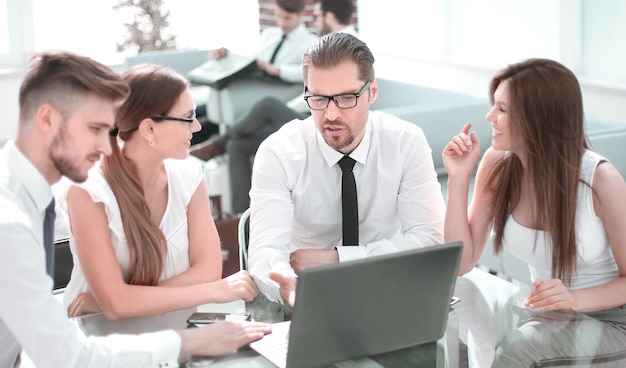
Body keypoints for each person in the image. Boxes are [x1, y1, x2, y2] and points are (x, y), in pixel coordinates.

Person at [0, 50, 270, 368]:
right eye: (95, 129)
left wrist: (118, 299)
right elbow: (69, 356)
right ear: (47, 120)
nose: (107, 146)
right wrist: (189, 340)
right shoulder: (12, 223)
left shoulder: (29, 197)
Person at [441, 58, 626, 364]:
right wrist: (459, 180)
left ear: (539, 118)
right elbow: (461, 262)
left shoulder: (600, 179)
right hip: (550, 315)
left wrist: (573, 299)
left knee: (518, 351)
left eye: (502, 109)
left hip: (612, 319)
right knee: (459, 304)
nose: (489, 116)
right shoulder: (498, 165)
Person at [247, 32, 445, 304]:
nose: (331, 115)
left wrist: (338, 259)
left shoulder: (405, 142)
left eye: (345, 98)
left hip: (388, 288)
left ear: (372, 92)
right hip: (306, 297)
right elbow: (265, 251)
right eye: (318, 99)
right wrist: (288, 287)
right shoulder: (278, 152)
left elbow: (430, 239)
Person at [56, 63, 259, 319]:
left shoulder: (189, 175)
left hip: (171, 329)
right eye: (187, 118)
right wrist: (212, 292)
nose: (196, 127)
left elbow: (207, 271)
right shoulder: (87, 191)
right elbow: (117, 304)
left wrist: (124, 300)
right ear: (149, 129)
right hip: (96, 340)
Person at [190, 0, 359, 214]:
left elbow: (324, 89)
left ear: (330, 17)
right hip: (305, 108)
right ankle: (241, 218)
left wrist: (286, 94)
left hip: (316, 116)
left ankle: (215, 145)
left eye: (316, 16)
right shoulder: (328, 42)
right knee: (238, 144)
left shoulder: (347, 46)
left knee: (267, 105)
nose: (314, 22)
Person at [191, 0, 318, 144]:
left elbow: (311, 72)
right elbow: (252, 59)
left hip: (274, 92)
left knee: (208, 122)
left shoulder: (310, 42)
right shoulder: (270, 35)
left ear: (300, 14)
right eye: (278, 16)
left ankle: (203, 147)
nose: (282, 22)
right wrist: (228, 57)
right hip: (251, 87)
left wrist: (278, 71)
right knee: (199, 111)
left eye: (287, 17)